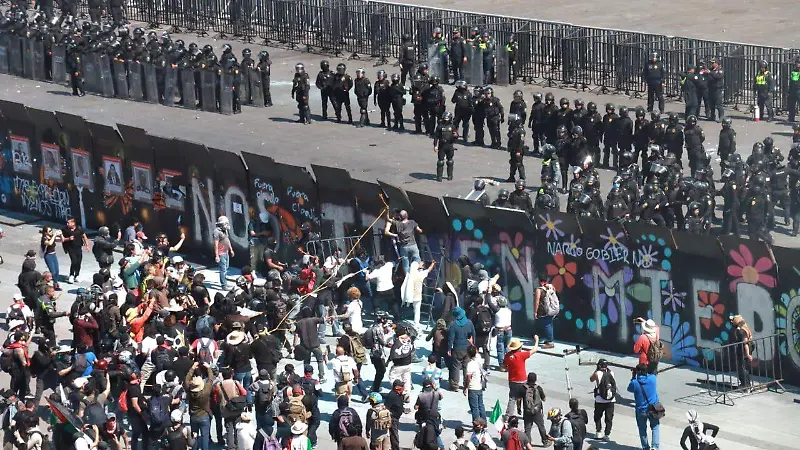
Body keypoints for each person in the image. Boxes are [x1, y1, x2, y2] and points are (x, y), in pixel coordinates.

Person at [502, 337, 538, 419]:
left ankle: (508, 416)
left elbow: (503, 366)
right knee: (526, 398)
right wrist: (537, 340)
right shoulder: (521, 355)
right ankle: (527, 415)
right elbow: (534, 350)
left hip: (512, 381)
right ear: (519, 348)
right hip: (522, 380)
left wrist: (509, 368)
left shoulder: (507, 356)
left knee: (512, 398)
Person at [628, 363, 660, 450]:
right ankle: (655, 447)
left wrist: (633, 376)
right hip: (653, 408)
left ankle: (645, 447)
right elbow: (652, 373)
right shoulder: (653, 379)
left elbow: (629, 389)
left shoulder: (634, 383)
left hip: (641, 410)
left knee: (642, 429)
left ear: (638, 372)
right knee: (655, 427)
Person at [384, 210, 422, 275]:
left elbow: (387, 219)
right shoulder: (412, 222)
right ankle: (420, 274)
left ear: (400, 216)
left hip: (403, 246)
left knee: (406, 264)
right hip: (412, 244)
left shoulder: (397, 223)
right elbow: (420, 230)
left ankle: (407, 277)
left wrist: (387, 211)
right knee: (417, 259)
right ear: (407, 215)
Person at [447, 307, 475, 391]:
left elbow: (451, 339)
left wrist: (449, 349)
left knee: (456, 367)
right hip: (467, 348)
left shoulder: (453, 325)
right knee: (466, 366)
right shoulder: (469, 322)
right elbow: (473, 334)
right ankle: (466, 384)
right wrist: (473, 345)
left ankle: (455, 385)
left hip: (457, 348)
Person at [589, 358, 616, 440]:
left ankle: (598, 432)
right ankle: (607, 434)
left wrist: (596, 370)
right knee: (609, 418)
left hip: (600, 399)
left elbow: (591, 379)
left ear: (599, 365)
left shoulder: (597, 373)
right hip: (611, 399)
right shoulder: (611, 372)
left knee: (597, 416)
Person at [384, 379, 410, 450]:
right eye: (401, 387)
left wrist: (403, 409)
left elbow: (399, 404)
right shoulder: (391, 396)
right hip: (393, 419)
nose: (403, 388)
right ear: (396, 387)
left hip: (397, 418)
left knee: (395, 434)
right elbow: (386, 407)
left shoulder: (399, 394)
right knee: (394, 435)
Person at [433, 111, 458, 181]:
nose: (446, 119)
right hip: (442, 146)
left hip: (450, 146)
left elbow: (456, 136)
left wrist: (456, 135)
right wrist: (435, 145)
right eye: (445, 118)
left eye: (447, 118)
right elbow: (436, 137)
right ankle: (439, 177)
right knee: (440, 162)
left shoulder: (452, 126)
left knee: (450, 161)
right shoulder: (440, 126)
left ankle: (450, 176)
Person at [533, 280, 559, 349]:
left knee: (546, 325)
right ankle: (549, 339)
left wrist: (535, 312)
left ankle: (550, 342)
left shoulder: (539, 290)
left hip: (544, 311)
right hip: (552, 309)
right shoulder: (551, 287)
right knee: (549, 324)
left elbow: (537, 302)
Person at [731, 314, 754, 389]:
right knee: (743, 367)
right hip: (746, 347)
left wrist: (747, 354)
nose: (731, 322)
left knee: (742, 367)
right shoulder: (743, 325)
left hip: (744, 349)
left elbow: (745, 343)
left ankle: (746, 385)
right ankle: (745, 384)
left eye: (733, 320)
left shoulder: (741, 331)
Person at [463, 346, 485, 421]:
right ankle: (484, 423)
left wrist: (465, 387)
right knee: (481, 406)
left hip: (473, 388)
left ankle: (477, 424)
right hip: (479, 386)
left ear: (468, 354)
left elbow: (468, 377)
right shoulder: (479, 359)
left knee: (474, 408)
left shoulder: (470, 364)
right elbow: (476, 351)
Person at [213, 216, 234, 290]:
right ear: (221, 224)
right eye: (225, 223)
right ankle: (224, 285)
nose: (227, 225)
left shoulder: (225, 230)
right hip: (221, 253)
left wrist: (231, 249)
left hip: (226, 252)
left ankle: (225, 282)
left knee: (226, 268)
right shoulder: (216, 232)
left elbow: (227, 240)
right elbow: (216, 244)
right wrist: (217, 256)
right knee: (223, 270)